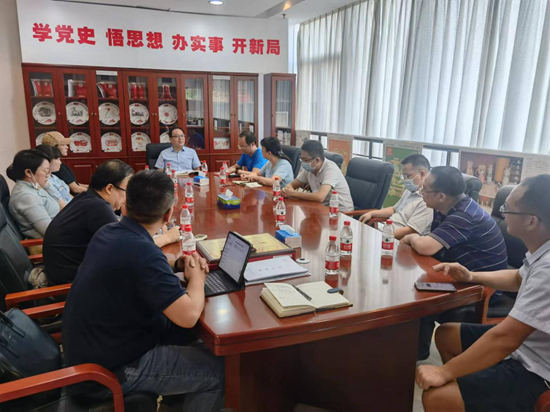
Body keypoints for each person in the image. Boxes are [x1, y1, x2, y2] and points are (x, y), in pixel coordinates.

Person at [62, 170, 224, 412]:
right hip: (110, 370)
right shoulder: (143, 253)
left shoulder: (109, 232)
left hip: (93, 349)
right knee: (218, 372)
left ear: (125, 206)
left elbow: (138, 264)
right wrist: (197, 278)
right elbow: (189, 315)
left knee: (198, 343)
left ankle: (175, 400)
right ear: (169, 214)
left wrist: (177, 264)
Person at [416, 175, 550, 412]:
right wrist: (471, 276)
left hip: (538, 367)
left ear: (531, 221)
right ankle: (475, 396)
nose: (502, 213)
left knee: (438, 397)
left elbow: (507, 338)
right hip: (527, 344)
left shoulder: (548, 269)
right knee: (447, 334)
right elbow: (518, 278)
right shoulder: (541, 251)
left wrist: (444, 372)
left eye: (507, 208)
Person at [401, 166, 508, 360]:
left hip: (484, 287)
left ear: (441, 196)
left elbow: (426, 246)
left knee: (417, 300)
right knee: (412, 288)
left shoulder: (464, 215)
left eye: (425, 190)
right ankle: (412, 352)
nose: (421, 192)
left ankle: (413, 355)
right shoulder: (444, 208)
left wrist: (411, 237)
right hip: (462, 274)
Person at [44, 161, 180, 285]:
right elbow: (132, 250)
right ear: (110, 188)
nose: (127, 199)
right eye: (126, 191)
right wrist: (168, 237)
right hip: (72, 284)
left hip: (74, 272)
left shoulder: (87, 198)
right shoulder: (98, 207)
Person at [359, 154, 433, 239]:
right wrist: (371, 213)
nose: (405, 180)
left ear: (422, 174)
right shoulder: (410, 190)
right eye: (404, 176)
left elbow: (411, 230)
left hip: (398, 240)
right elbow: (394, 209)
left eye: (408, 176)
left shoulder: (428, 201)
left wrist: (384, 236)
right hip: (386, 233)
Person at [282, 140, 354, 212]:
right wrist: (286, 190)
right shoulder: (310, 169)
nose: (303, 163)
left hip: (340, 212)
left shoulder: (330, 169)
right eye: (302, 159)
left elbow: (320, 197)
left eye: (305, 160)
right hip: (321, 208)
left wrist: (293, 193)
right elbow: (291, 185)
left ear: (317, 160)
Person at [6, 149, 59, 238]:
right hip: (53, 241)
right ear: (28, 172)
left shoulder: (34, 186)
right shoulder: (26, 197)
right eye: (45, 171)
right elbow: (50, 231)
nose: (48, 175)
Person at [35, 144, 73, 209]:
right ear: (47, 161)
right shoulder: (44, 182)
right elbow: (62, 206)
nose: (60, 162)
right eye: (58, 159)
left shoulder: (53, 177)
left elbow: (68, 195)